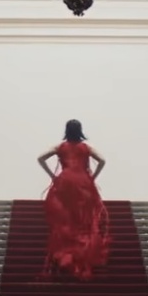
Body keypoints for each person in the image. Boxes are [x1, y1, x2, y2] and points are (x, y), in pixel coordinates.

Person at [36, 119, 111, 281]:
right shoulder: (86, 147)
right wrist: (92, 177)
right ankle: (80, 255)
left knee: (65, 219)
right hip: (83, 182)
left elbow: (40, 158)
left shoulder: (60, 147)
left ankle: (65, 255)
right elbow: (102, 160)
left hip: (64, 182)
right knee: (83, 219)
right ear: (80, 130)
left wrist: (52, 176)